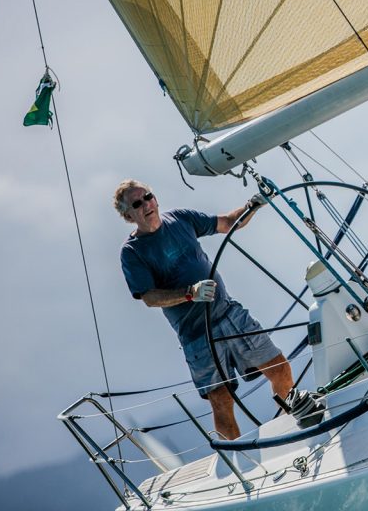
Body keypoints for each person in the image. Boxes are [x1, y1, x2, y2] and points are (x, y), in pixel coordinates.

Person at [115, 180, 294, 440]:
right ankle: (240, 460)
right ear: (128, 215)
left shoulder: (180, 219)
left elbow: (228, 223)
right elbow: (150, 297)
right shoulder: (132, 252)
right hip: (197, 336)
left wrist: (252, 205)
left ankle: (290, 426)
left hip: (230, 314)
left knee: (280, 368)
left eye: (148, 197)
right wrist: (191, 293)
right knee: (222, 402)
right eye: (137, 203)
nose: (146, 204)